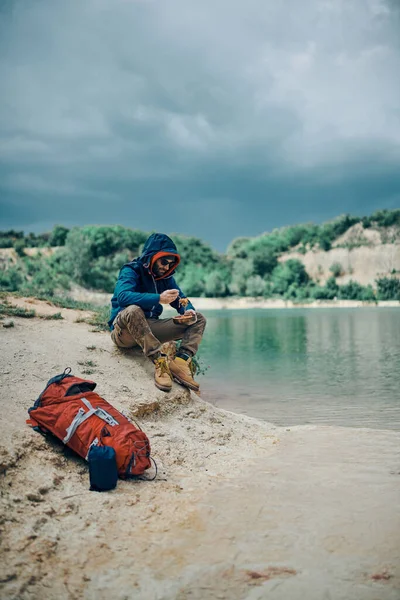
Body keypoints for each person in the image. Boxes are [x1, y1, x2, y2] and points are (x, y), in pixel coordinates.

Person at [108, 233, 207, 393]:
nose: (166, 267)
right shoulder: (131, 270)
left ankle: (181, 363)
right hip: (123, 332)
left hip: (148, 329)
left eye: (170, 264)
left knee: (199, 319)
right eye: (163, 262)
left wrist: (188, 310)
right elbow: (122, 296)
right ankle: (160, 362)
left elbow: (181, 298)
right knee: (134, 310)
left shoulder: (165, 277)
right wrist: (159, 298)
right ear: (152, 256)